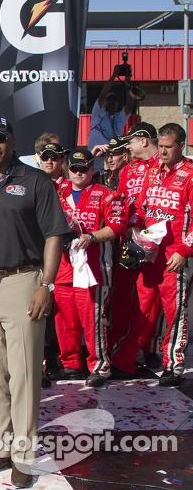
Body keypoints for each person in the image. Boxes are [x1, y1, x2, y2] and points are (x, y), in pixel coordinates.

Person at [0, 114, 69, 488]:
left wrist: (47, 286)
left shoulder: (35, 180)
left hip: (25, 280)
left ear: (13, 142)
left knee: (22, 373)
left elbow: (54, 234)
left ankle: (24, 454)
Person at [111, 123, 193, 387]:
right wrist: (135, 234)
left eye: (169, 147)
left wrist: (184, 249)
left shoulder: (191, 174)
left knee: (174, 312)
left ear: (182, 146)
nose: (164, 151)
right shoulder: (153, 170)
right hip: (149, 253)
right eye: (163, 145)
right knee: (142, 309)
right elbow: (141, 206)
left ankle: (173, 365)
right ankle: (125, 359)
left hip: (175, 257)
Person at [50, 149, 126, 387]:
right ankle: (70, 364)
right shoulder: (56, 192)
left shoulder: (106, 195)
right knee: (64, 321)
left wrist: (92, 237)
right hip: (63, 269)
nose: (79, 173)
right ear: (68, 169)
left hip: (93, 271)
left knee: (94, 320)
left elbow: (118, 226)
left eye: (84, 169)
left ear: (93, 169)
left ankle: (100, 366)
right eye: (74, 168)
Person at [108, 123, 161, 373]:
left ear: (143, 140)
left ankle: (144, 351)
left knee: (149, 302)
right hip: (128, 241)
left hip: (157, 242)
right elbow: (121, 202)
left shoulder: (165, 166)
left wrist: (146, 236)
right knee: (122, 299)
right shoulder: (128, 170)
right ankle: (114, 349)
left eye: (130, 141)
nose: (127, 146)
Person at [88, 66, 135, 170]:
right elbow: (102, 95)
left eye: (115, 100)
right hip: (96, 160)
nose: (112, 102)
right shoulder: (98, 114)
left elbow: (130, 105)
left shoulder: (118, 117)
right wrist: (113, 76)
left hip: (113, 161)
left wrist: (127, 83)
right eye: (109, 100)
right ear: (105, 102)